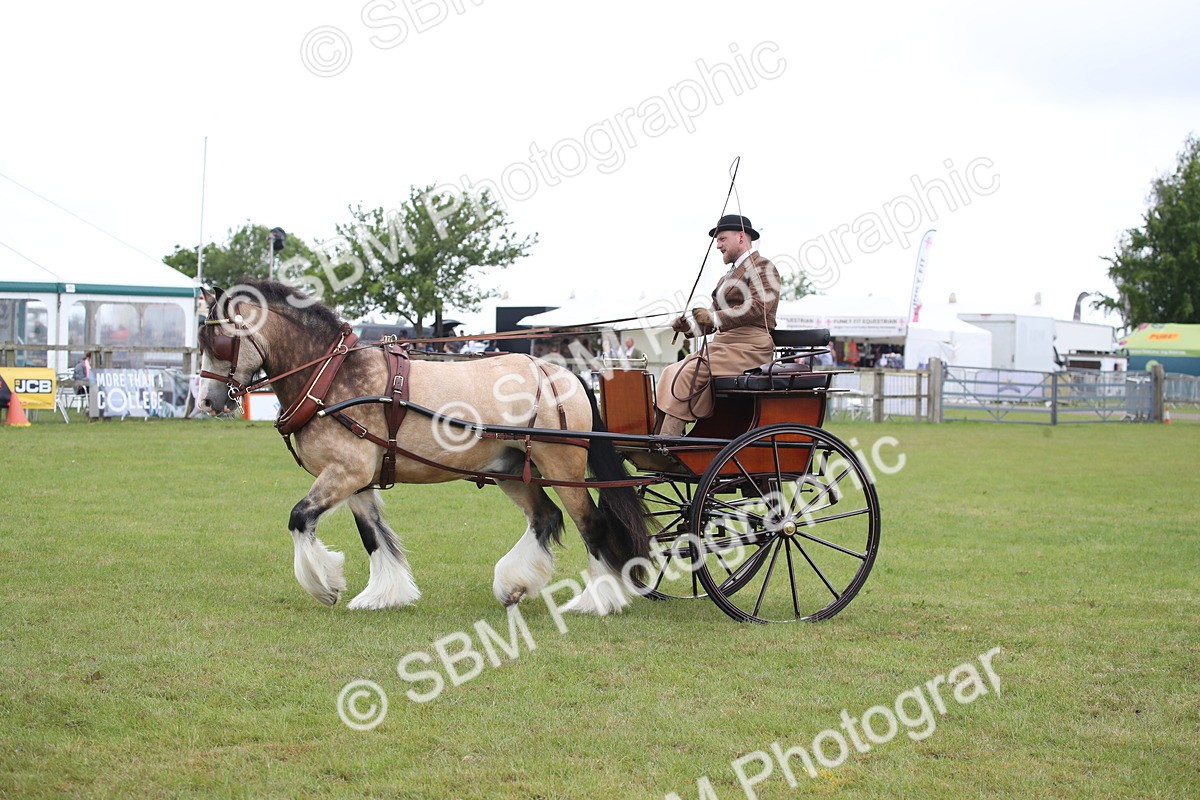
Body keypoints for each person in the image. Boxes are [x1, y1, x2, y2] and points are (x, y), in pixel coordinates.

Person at [656, 214, 781, 436]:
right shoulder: (726, 279)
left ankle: (668, 441)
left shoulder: (763, 267)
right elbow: (711, 323)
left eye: (722, 239)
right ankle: (656, 437)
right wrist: (689, 328)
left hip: (750, 347)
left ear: (741, 237)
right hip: (724, 346)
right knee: (669, 372)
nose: (718, 246)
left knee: (687, 373)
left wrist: (714, 318)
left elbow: (757, 307)